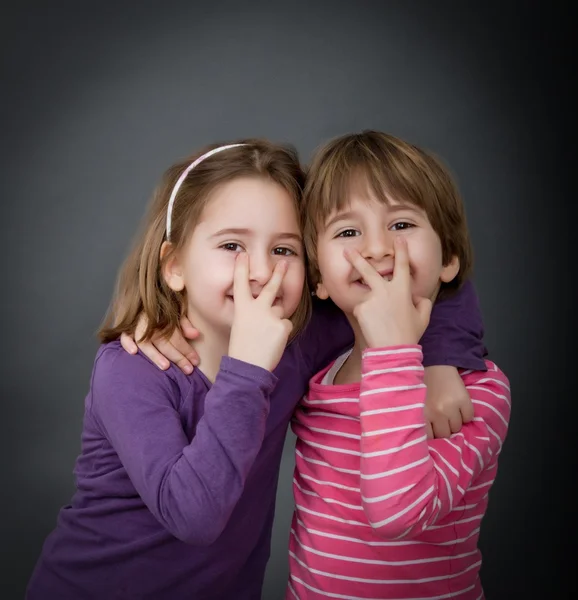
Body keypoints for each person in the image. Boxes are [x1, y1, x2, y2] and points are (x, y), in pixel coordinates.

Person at [28, 139, 486, 600]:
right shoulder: (132, 371)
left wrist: (442, 358)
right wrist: (245, 368)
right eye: (232, 245)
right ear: (174, 267)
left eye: (285, 250)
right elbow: (194, 517)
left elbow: (410, 278)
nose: (262, 270)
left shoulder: (296, 344)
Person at [286, 131, 511, 599]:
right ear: (318, 278)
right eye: (348, 232)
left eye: (402, 224)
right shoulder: (315, 376)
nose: (376, 248)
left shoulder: (476, 392)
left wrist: (396, 352)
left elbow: (398, 512)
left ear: (448, 259)